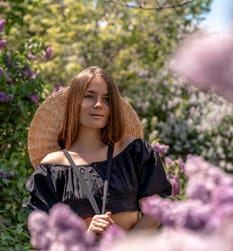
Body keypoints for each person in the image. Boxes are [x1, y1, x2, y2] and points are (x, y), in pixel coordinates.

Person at [25, 66, 171, 237]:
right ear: (74, 102)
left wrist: (124, 250)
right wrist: (87, 236)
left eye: (107, 99)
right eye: (89, 96)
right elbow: (47, 234)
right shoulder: (52, 167)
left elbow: (154, 212)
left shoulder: (135, 152)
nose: (99, 104)